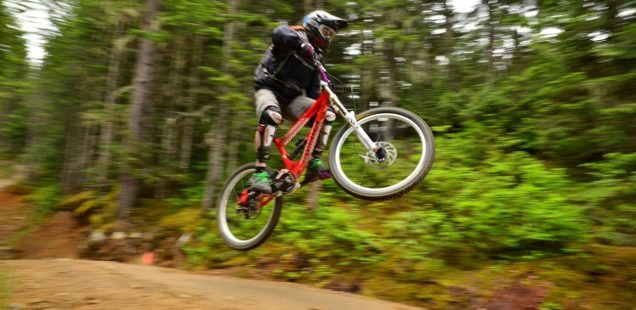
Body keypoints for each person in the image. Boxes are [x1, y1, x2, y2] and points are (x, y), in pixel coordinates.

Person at [249, 10, 348, 193]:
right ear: (313, 26)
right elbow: (279, 33)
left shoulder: (315, 58)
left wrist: (321, 110)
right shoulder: (294, 35)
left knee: (326, 113)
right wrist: (302, 46)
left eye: (331, 35)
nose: (327, 38)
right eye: (326, 31)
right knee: (272, 114)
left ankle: (313, 160)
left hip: (291, 99)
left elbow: (313, 94)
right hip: (269, 87)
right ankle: (259, 172)